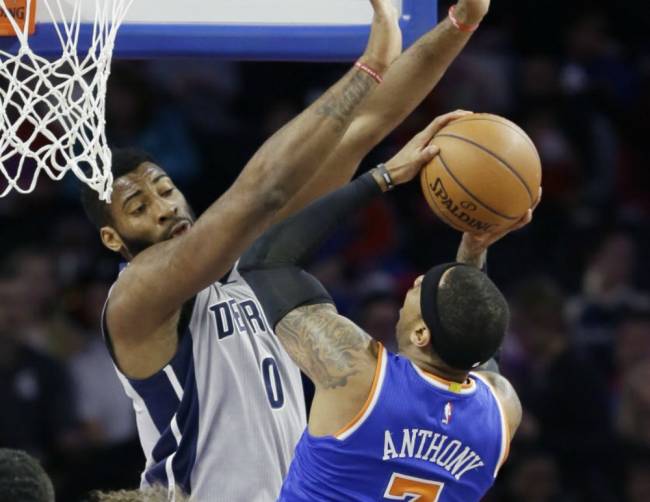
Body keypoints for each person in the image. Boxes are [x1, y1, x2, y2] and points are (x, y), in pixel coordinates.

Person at [81, 0, 492, 498]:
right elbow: (262, 192)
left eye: (164, 189)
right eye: (138, 207)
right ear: (112, 238)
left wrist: (460, 22)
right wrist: (369, 67)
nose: (164, 208)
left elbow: (366, 125)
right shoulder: (134, 300)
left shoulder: (245, 256)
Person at [239, 120, 539, 500]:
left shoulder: (359, 373)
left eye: (420, 289)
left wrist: (383, 177)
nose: (412, 284)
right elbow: (481, 351)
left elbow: (264, 262)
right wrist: (474, 250)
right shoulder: (502, 412)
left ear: (421, 334)